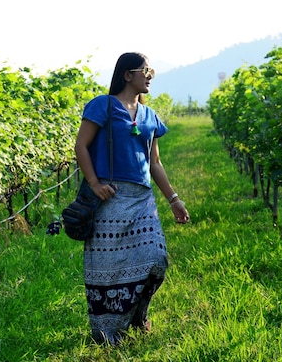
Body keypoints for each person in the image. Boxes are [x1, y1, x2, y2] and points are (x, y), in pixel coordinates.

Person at [74, 51, 190, 345]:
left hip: (142, 199)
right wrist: (94, 183)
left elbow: (155, 164)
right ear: (128, 74)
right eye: (145, 70)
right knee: (108, 269)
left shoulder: (150, 116)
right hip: (109, 199)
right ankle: (107, 331)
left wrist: (174, 199)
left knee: (156, 260)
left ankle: (137, 312)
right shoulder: (103, 106)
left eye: (151, 70)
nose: (150, 75)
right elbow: (81, 146)